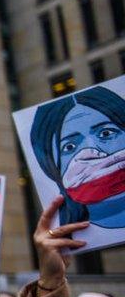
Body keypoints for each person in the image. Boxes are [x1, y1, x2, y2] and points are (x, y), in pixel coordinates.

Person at [29, 85, 125, 228]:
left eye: (106, 133)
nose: (93, 150)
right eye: (69, 147)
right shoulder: (68, 242)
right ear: (51, 167)